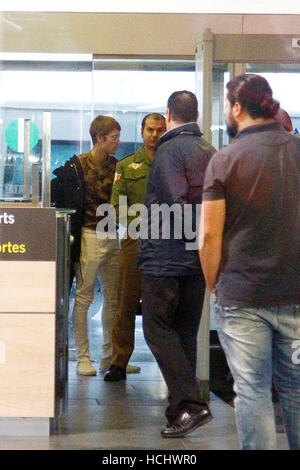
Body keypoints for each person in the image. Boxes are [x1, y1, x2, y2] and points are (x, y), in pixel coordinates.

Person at [199, 73, 300, 450]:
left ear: (237, 108)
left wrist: (214, 285)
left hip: (242, 298)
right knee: (295, 390)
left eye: (227, 105)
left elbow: (209, 236)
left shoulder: (225, 160)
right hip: (296, 294)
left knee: (253, 391)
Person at [139, 91, 215, 438]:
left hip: (164, 259)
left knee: (156, 328)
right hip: (196, 257)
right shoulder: (210, 152)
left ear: (169, 115)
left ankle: (192, 404)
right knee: (184, 332)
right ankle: (179, 413)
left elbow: (175, 199)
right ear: (196, 113)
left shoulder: (168, 151)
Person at [52, 115, 121, 376]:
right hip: (89, 235)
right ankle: (83, 356)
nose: (117, 141)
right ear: (99, 138)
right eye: (113, 137)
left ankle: (109, 356)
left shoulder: (118, 167)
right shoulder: (77, 166)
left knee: (112, 299)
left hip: (111, 233)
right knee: (84, 296)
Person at [104, 113, 166, 381]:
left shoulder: (172, 163)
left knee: (163, 305)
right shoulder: (127, 166)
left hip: (167, 243)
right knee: (125, 303)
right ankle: (119, 361)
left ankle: (169, 366)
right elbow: (117, 204)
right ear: (142, 131)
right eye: (150, 129)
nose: (154, 135)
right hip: (135, 241)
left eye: (160, 130)